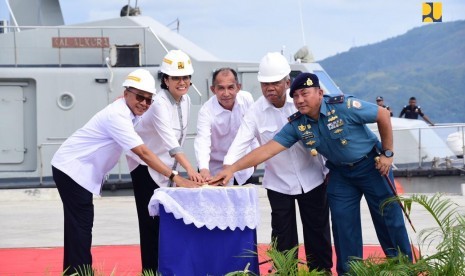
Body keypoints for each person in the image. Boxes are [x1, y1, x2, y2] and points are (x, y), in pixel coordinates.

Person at [211, 72, 413, 275]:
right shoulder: (298, 124)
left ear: (319, 92)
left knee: (389, 220)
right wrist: (232, 168)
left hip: (371, 166)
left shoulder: (342, 107)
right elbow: (267, 149)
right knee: (344, 228)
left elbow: (382, 115)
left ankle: (403, 269)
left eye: (305, 94)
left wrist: (387, 154)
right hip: (341, 174)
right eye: (295, 96)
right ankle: (351, 273)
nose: (299, 100)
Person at [51, 69, 200, 275]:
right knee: (81, 225)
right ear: (126, 92)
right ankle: (78, 272)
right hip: (72, 169)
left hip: (78, 170)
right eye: (139, 97)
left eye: (149, 100)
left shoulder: (130, 111)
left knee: (80, 225)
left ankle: (76, 271)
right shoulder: (117, 116)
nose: (144, 104)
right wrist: (176, 177)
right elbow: (144, 153)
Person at [222, 53, 333, 272]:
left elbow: (325, 133)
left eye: (274, 83)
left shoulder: (301, 103)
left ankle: (322, 272)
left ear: (287, 82)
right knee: (283, 237)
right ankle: (285, 273)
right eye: (265, 83)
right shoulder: (255, 112)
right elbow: (240, 142)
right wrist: (227, 167)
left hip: (312, 179)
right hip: (278, 184)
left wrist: (329, 168)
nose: (269, 88)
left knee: (318, 233)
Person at [126, 50, 203, 273]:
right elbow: (171, 141)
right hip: (145, 168)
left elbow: (182, 134)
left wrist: (181, 170)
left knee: (167, 224)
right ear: (165, 80)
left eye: (186, 77)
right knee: (150, 226)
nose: (182, 82)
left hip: (169, 168)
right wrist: (190, 170)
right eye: (176, 78)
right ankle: (150, 271)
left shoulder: (187, 100)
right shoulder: (158, 102)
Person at [194, 67, 257, 185]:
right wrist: (203, 169)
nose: (226, 93)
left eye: (231, 87)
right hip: (215, 172)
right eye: (221, 88)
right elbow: (203, 141)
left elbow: (253, 131)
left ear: (238, 87)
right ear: (213, 89)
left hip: (243, 170)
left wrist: (255, 161)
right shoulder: (206, 111)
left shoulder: (247, 99)